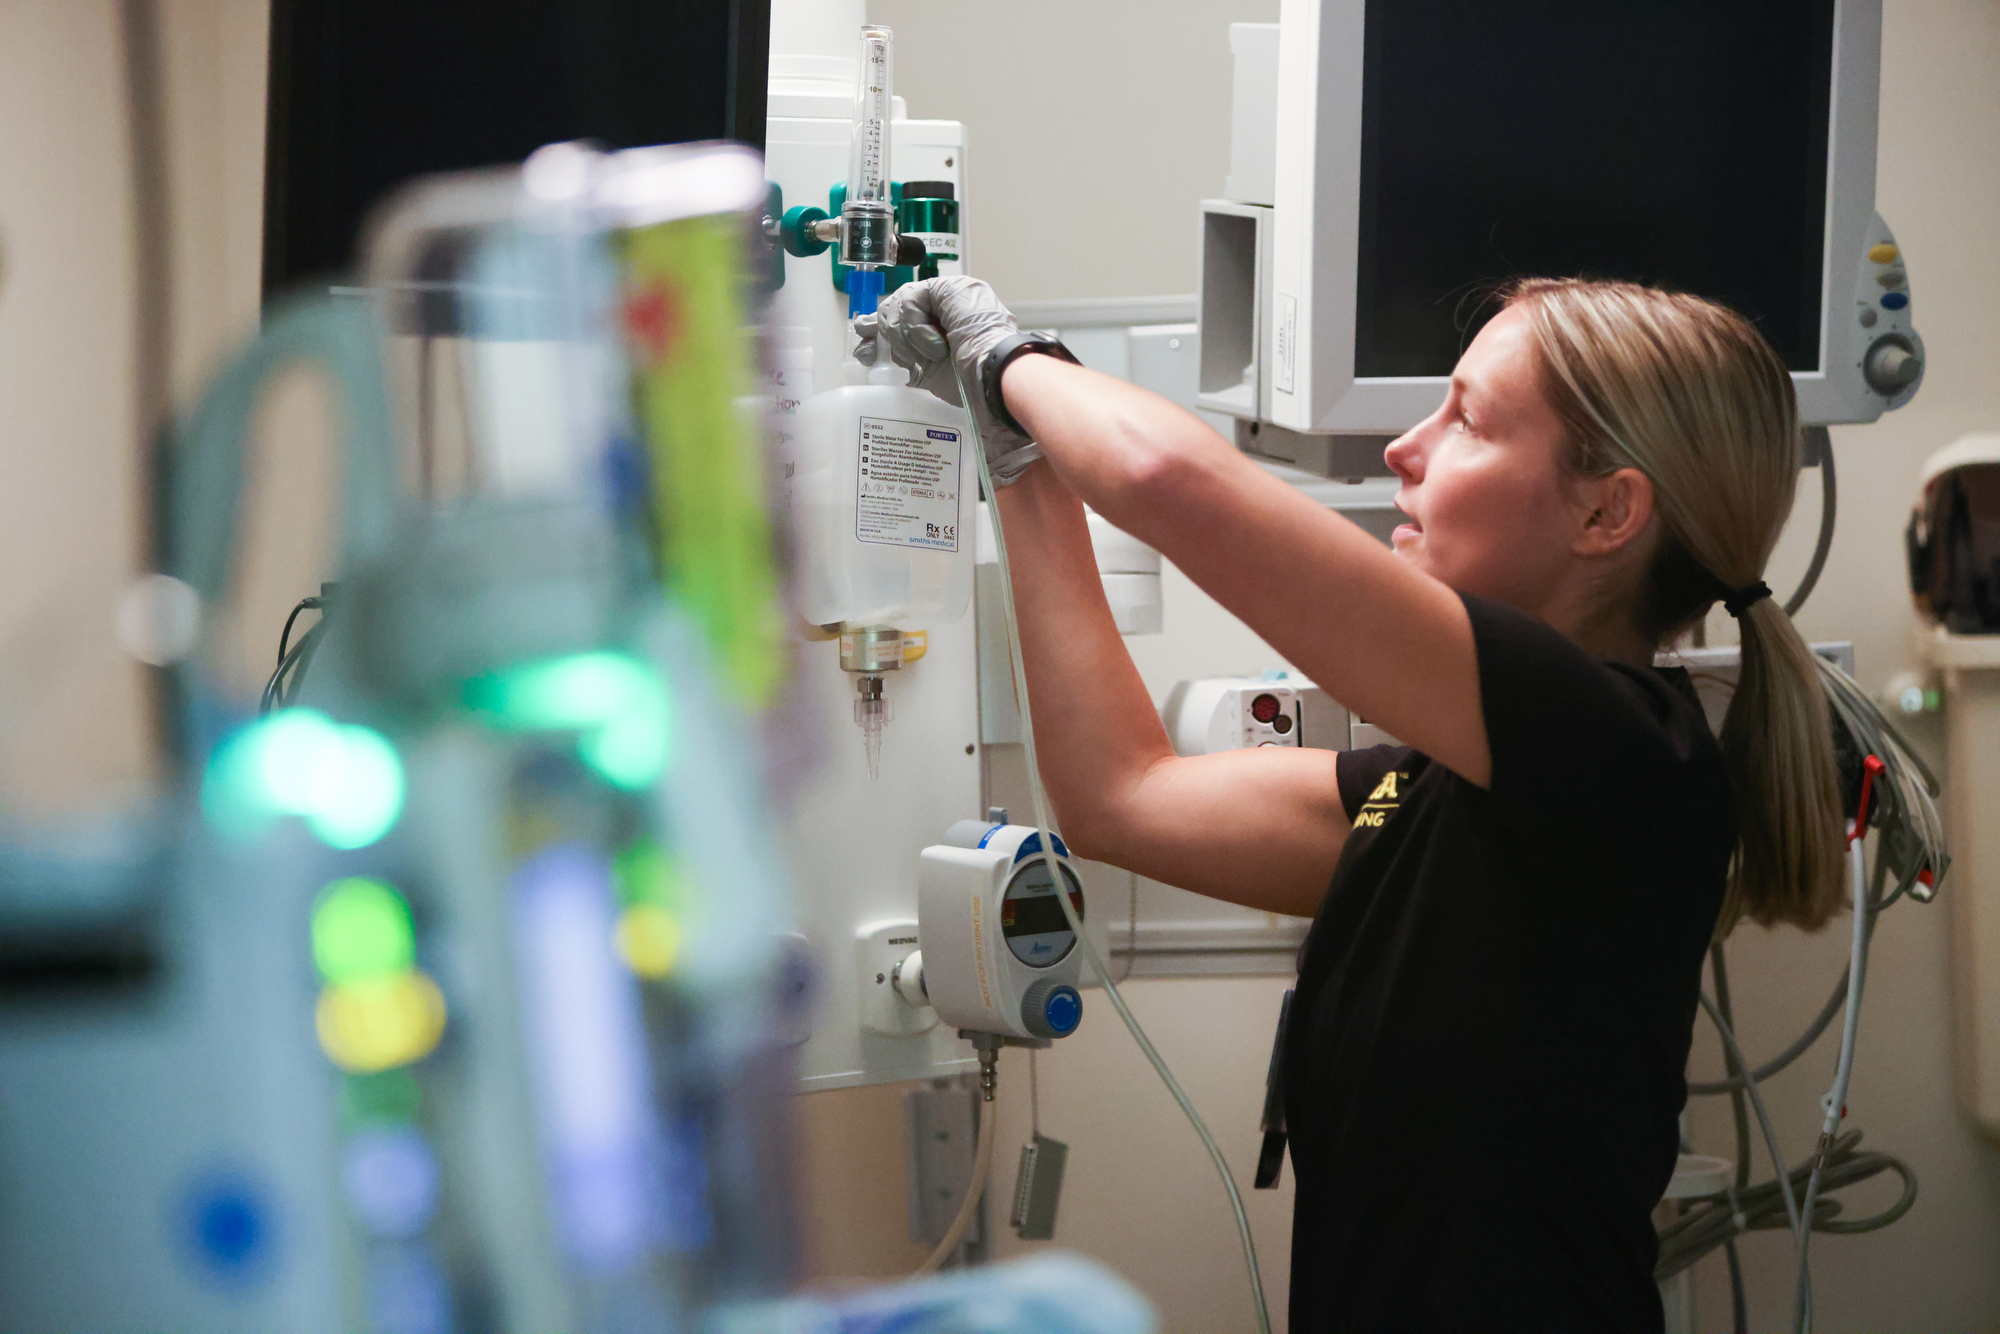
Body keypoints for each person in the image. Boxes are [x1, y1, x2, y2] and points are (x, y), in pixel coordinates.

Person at [854, 275, 1846, 1333]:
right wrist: (1019, 461)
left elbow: (1160, 476)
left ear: (1605, 510)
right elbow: (1120, 794)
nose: (1401, 449)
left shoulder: (1623, 752)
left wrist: (1009, 359)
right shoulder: (1442, 789)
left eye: (1464, 417)